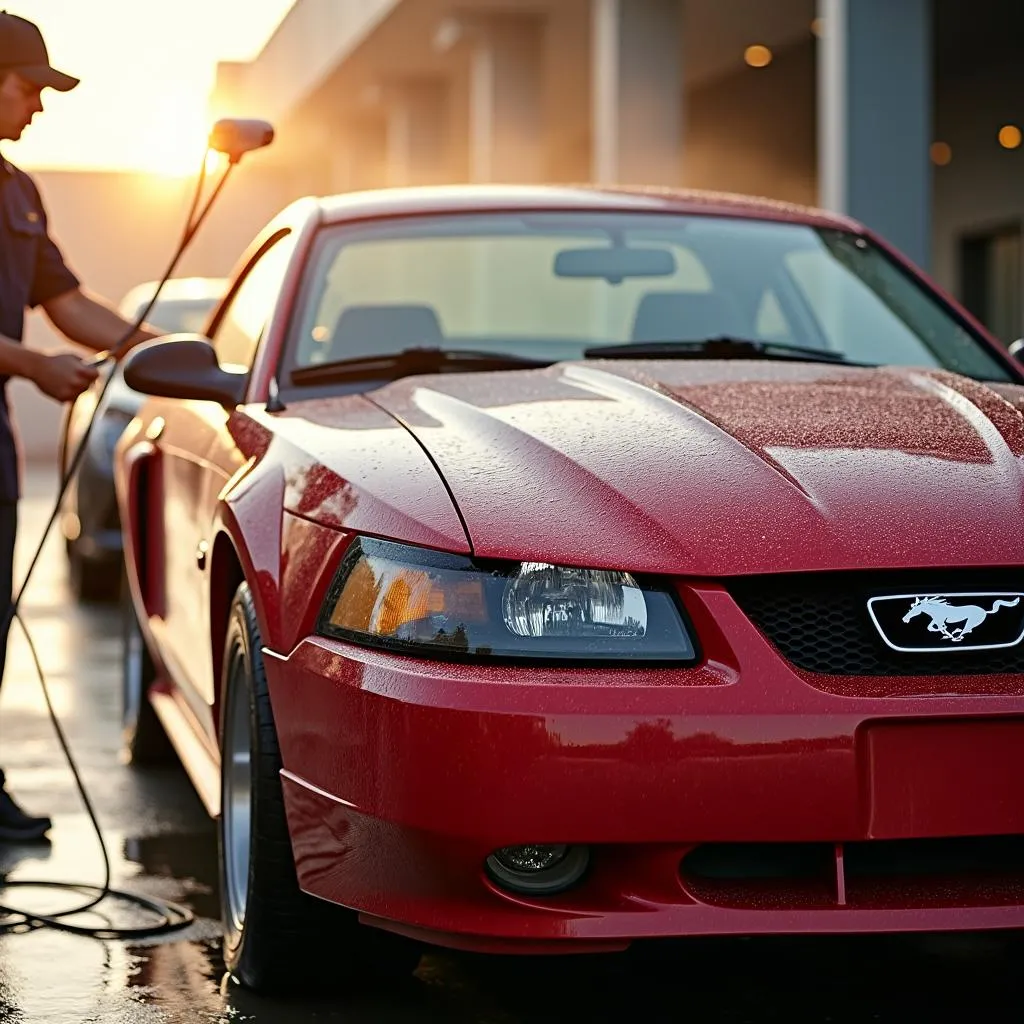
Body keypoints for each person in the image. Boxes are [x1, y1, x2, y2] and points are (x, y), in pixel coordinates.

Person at [0, 11, 160, 840]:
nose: (40, 105)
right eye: (30, 86)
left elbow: (67, 306)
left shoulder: (19, 191)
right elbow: (39, 347)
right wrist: (30, 368)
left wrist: (159, 348)